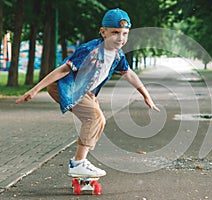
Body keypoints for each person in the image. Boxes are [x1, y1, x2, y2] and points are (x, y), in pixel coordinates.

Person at [16, 8, 160, 177]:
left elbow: (128, 73)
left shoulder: (118, 55)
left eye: (125, 33)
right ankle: (78, 163)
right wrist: (34, 90)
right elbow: (63, 70)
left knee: (100, 121)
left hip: (83, 90)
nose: (120, 38)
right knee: (94, 117)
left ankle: (80, 161)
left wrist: (146, 95)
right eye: (115, 32)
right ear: (103, 32)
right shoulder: (90, 50)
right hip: (65, 87)